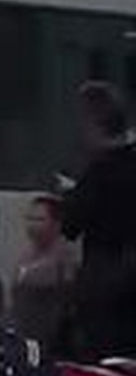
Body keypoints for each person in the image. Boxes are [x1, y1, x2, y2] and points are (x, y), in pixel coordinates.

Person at [61, 82, 136, 360]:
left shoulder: (99, 171)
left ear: (95, 126)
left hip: (106, 281)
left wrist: (70, 194)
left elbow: (70, 225)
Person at [11, 193, 77, 364]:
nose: (32, 225)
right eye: (30, 219)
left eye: (40, 219)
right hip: (24, 335)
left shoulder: (65, 256)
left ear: (56, 223)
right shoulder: (25, 255)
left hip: (50, 341)